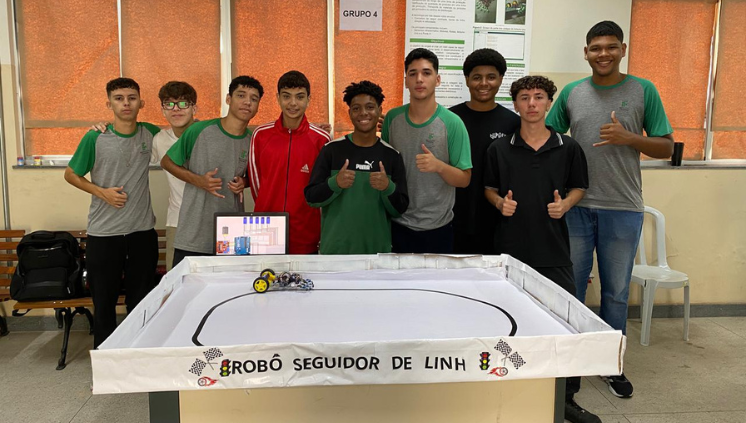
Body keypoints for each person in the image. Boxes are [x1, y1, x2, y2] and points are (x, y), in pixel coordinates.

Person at [546, 20, 674, 399]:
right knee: (571, 289)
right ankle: (571, 363)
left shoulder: (643, 90)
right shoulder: (572, 93)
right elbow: (549, 138)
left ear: (623, 49)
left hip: (623, 207)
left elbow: (667, 147)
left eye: (611, 47)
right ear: (586, 52)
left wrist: (629, 138)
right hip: (576, 207)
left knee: (616, 292)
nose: (603, 54)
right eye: (596, 48)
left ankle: (610, 363)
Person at [484, 75, 595, 423]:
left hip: (553, 251)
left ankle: (566, 397)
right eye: (524, 97)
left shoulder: (568, 147)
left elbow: (579, 187)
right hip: (510, 253)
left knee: (565, 324)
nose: (531, 103)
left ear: (549, 103)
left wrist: (566, 205)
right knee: (508, 324)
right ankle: (511, 385)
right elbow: (489, 188)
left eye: (538, 97)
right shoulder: (499, 149)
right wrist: (499, 203)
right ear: (515, 104)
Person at [64, 77, 160, 348]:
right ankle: (105, 357)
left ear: (141, 103)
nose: (126, 103)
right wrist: (101, 192)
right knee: (104, 303)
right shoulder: (96, 137)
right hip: (104, 234)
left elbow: (181, 134)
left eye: (131, 98)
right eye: (119, 98)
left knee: (141, 301)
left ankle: (137, 354)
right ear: (109, 104)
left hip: (142, 233)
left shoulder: (151, 134)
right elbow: (71, 174)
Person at [161, 75, 263, 267]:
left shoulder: (253, 140)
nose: (247, 102)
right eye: (241, 95)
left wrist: (245, 182)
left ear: (258, 106)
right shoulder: (199, 130)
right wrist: (198, 180)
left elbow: (254, 176)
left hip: (231, 236)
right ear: (228, 99)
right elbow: (167, 162)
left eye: (254, 98)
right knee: (185, 286)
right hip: (194, 234)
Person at [381, 48, 472, 254]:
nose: (419, 79)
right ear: (406, 81)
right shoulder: (392, 119)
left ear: (437, 80)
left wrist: (439, 166)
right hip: (397, 223)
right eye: (412, 74)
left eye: (426, 73)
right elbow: (387, 169)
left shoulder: (453, 123)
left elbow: (465, 179)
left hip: (438, 228)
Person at [305, 81, 409, 254]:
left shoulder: (392, 156)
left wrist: (387, 187)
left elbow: (400, 209)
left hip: (377, 254)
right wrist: (335, 183)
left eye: (370, 107)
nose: (363, 113)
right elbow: (311, 198)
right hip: (335, 253)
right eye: (356, 108)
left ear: (380, 111)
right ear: (350, 113)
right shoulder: (331, 150)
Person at [248, 70, 332, 254]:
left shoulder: (322, 139)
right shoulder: (260, 135)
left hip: (306, 233)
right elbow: (256, 185)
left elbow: (323, 189)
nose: (293, 103)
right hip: (266, 231)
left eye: (299, 97)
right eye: (286, 96)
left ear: (308, 99)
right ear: (278, 98)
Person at [450, 48, 520, 254]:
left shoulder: (513, 123)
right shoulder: (451, 119)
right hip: (454, 216)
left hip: (497, 217)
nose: (483, 83)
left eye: (491, 77)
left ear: (501, 79)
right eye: (476, 77)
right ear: (467, 80)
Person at [151, 81, 197, 270]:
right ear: (163, 110)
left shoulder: (209, 133)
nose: (176, 109)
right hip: (176, 221)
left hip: (210, 219)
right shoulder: (159, 139)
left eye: (183, 103)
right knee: (175, 278)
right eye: (169, 104)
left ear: (194, 108)